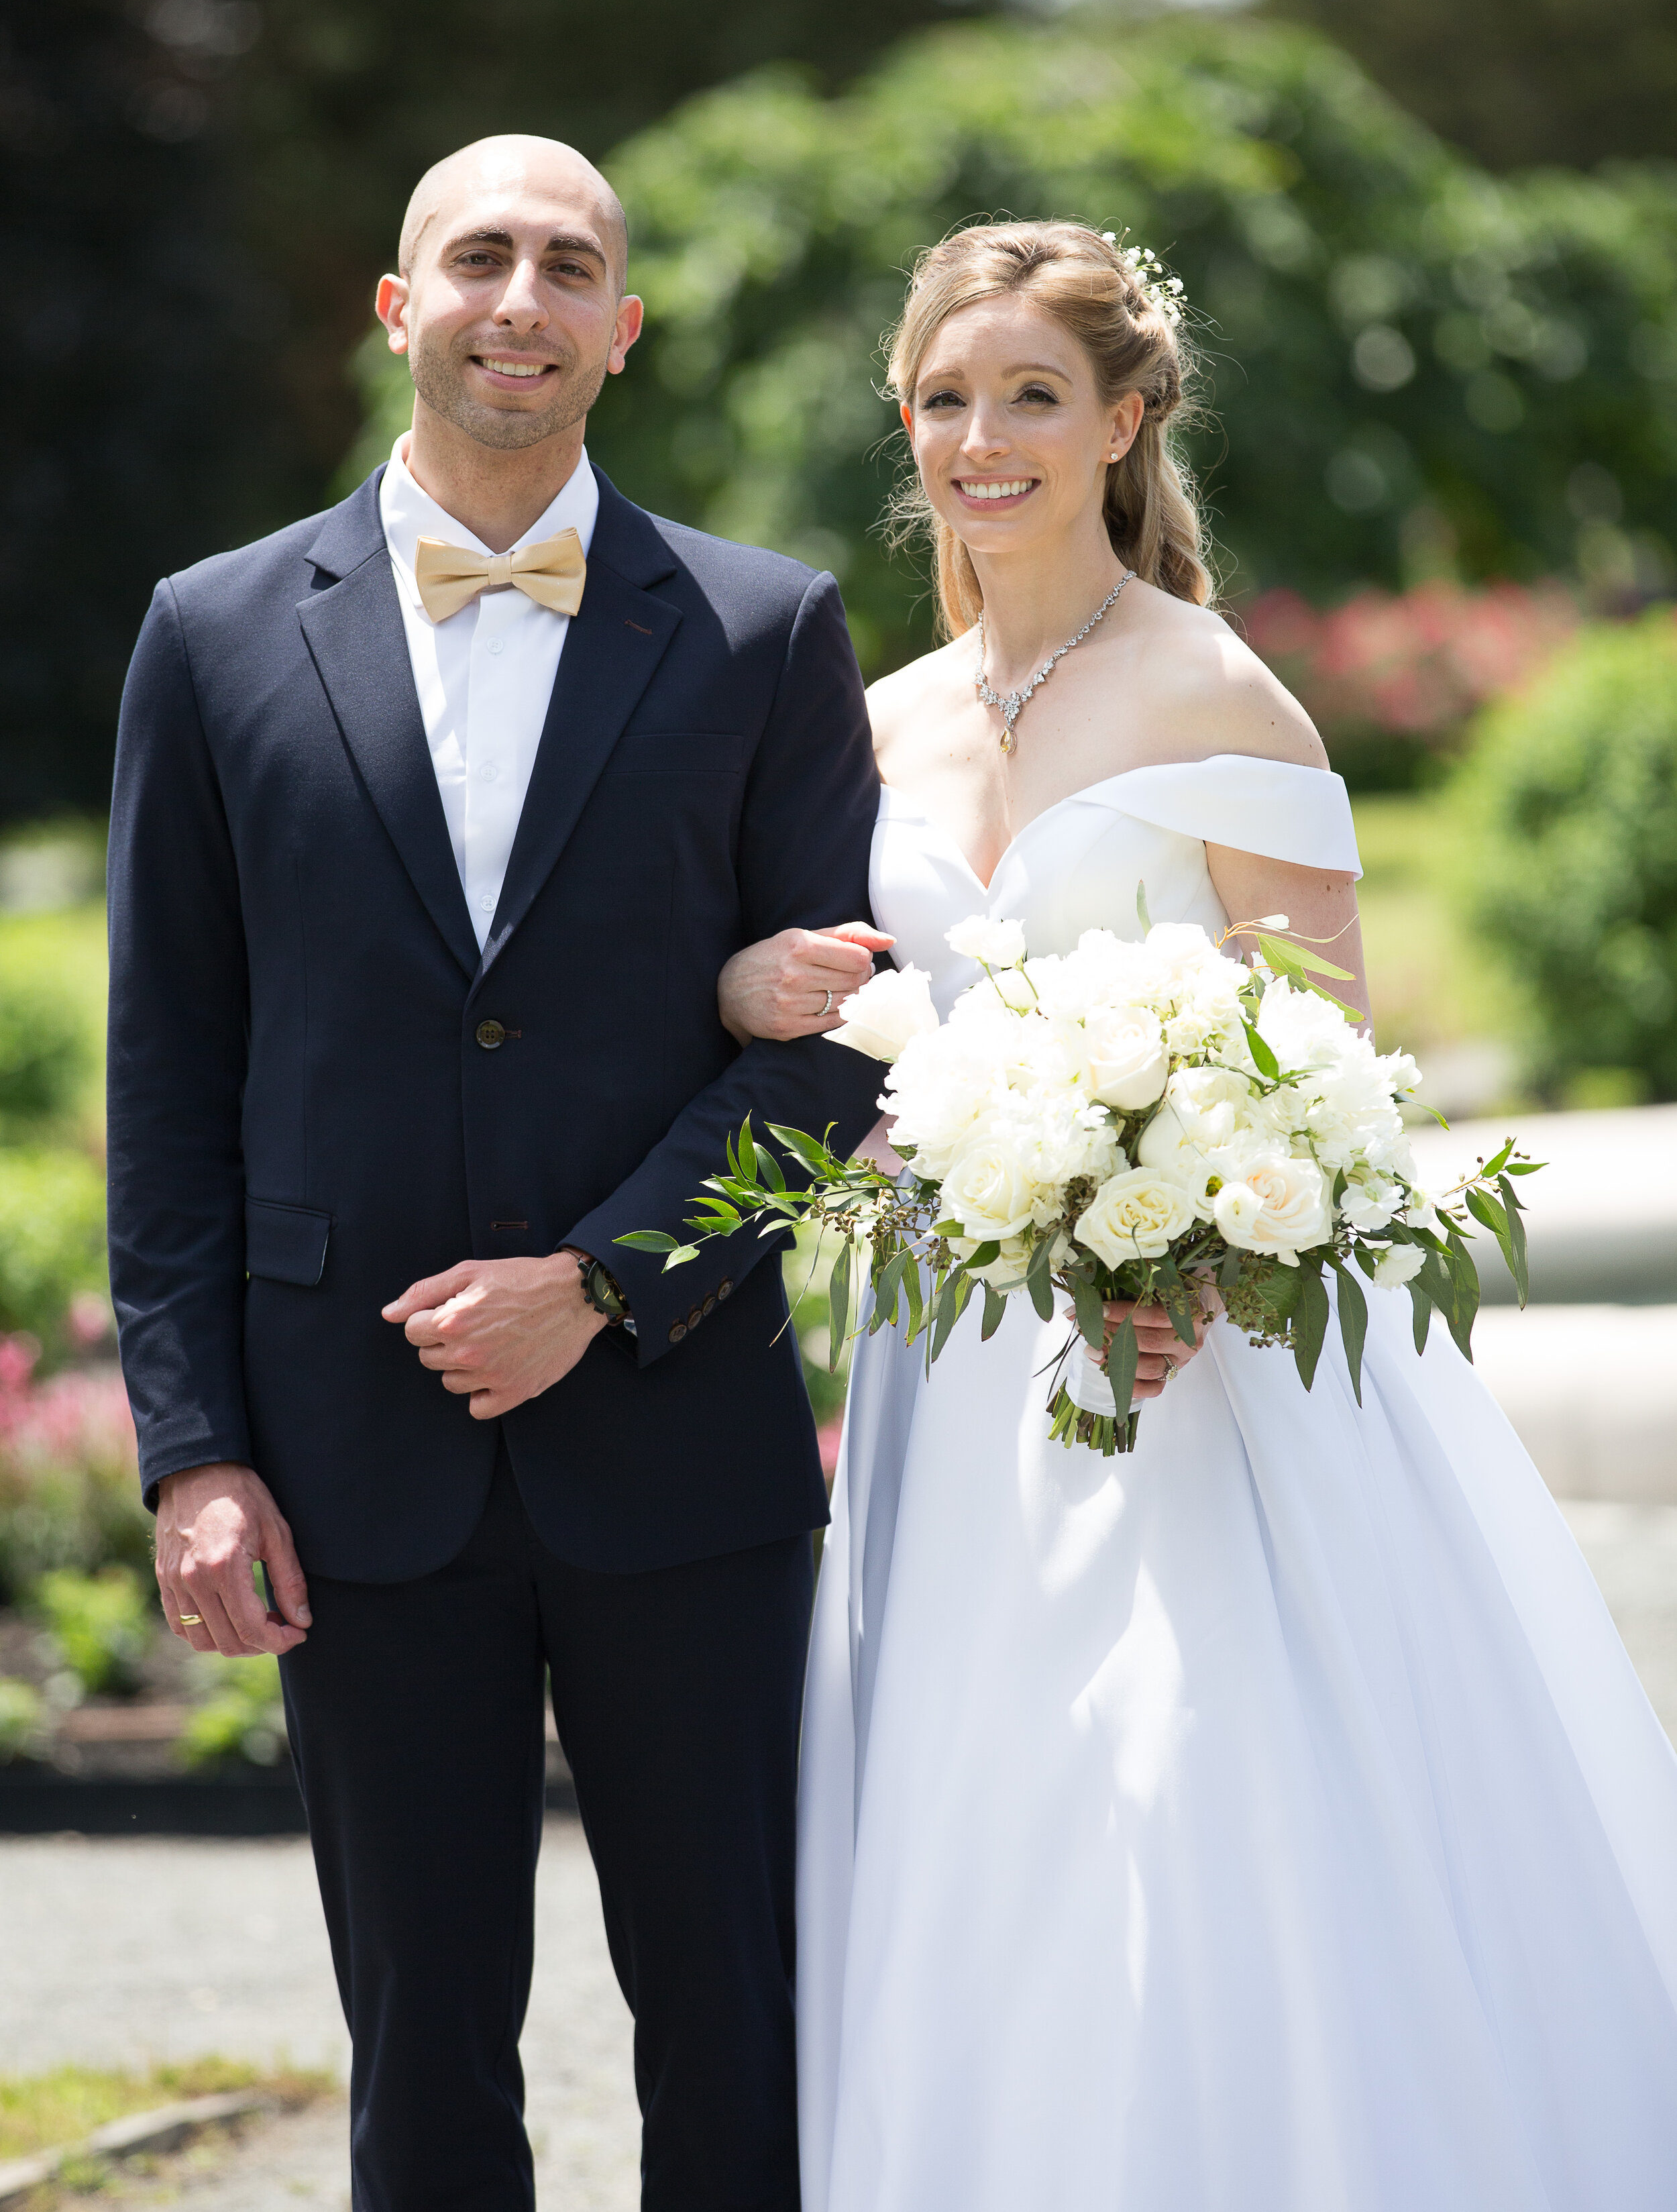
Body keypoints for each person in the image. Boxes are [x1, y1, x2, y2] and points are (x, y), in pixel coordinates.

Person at [718, 221, 1677, 2211]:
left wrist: (1193, 1268)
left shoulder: (1219, 696)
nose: (982, 438)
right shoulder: (863, 721)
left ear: (1124, 419)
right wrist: (751, 997)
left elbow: (1330, 1061)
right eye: (946, 399)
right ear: (908, 425)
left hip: (1195, 1361)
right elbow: (821, 1009)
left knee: (1175, 1794)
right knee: (979, 1815)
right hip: (946, 1363)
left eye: (1032, 397)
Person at [105, 133, 889, 2212]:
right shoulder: (205, 635)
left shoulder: (758, 627)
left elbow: (831, 1056)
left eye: (567, 266)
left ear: (620, 331)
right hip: (346, 1461)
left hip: (681, 1447)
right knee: (422, 2067)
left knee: (736, 2041)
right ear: (401, 306)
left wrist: (607, 1282)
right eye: (479, 258)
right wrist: (194, 1452)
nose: (518, 298)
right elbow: (169, 1071)